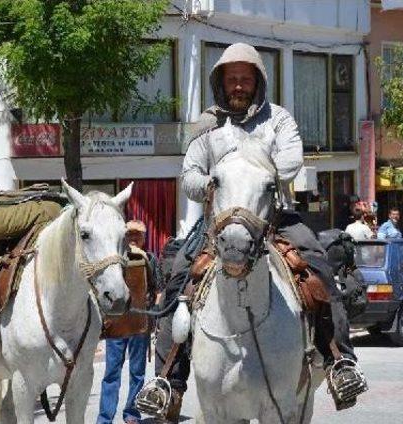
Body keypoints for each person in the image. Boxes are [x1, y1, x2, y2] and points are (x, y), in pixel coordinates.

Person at [141, 43, 367, 422]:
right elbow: (190, 175)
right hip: (219, 222)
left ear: (258, 81)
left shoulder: (278, 120)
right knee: (179, 277)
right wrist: (211, 182)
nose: (239, 86)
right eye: (232, 79)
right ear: (221, 83)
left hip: (272, 218)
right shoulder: (207, 127)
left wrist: (253, 165)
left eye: (246, 78)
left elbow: (291, 160)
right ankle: (167, 381)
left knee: (318, 267)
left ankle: (340, 360)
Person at [96, 220, 161, 424]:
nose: (133, 238)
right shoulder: (114, 259)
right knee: (111, 373)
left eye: (137, 235)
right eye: (129, 234)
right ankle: (105, 418)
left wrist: (153, 315)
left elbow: (157, 290)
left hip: (139, 322)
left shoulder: (149, 258)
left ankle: (132, 414)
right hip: (116, 323)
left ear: (144, 237)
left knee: (137, 372)